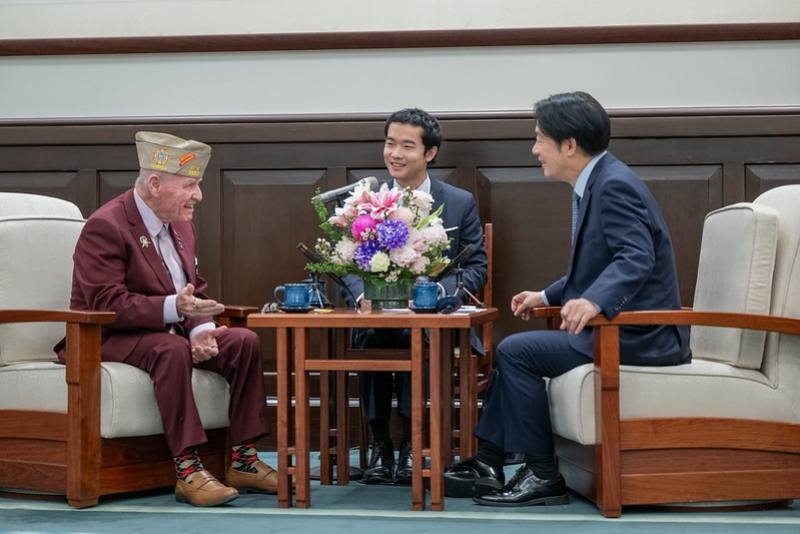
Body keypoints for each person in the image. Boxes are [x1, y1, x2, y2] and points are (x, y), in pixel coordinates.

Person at [444, 92, 691, 506]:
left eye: (540, 138)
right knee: (517, 351)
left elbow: (636, 257)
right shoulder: (600, 180)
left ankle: (541, 474)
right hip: (619, 328)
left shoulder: (613, 186)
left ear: (570, 144)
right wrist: (546, 294)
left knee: (517, 351)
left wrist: (594, 302)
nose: (535, 149)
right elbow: (595, 267)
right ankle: (490, 460)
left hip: (639, 336)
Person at [56, 132, 276, 507]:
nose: (199, 196)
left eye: (198, 185)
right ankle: (188, 469)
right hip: (103, 336)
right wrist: (178, 311)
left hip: (165, 330)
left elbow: (192, 290)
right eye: (189, 185)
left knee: (242, 340)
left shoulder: (180, 223)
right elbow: (106, 303)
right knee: (170, 348)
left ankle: (243, 459)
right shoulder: (106, 225)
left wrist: (204, 329)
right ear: (155, 184)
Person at [344, 108, 487, 485]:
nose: (395, 153)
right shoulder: (364, 200)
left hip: (430, 321)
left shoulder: (458, 202)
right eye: (390, 143)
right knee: (372, 337)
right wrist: (361, 295)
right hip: (376, 316)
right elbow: (343, 264)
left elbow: (476, 267)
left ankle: (412, 446)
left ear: (430, 153)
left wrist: (435, 293)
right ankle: (379, 448)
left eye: (408, 146)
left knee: (414, 337)